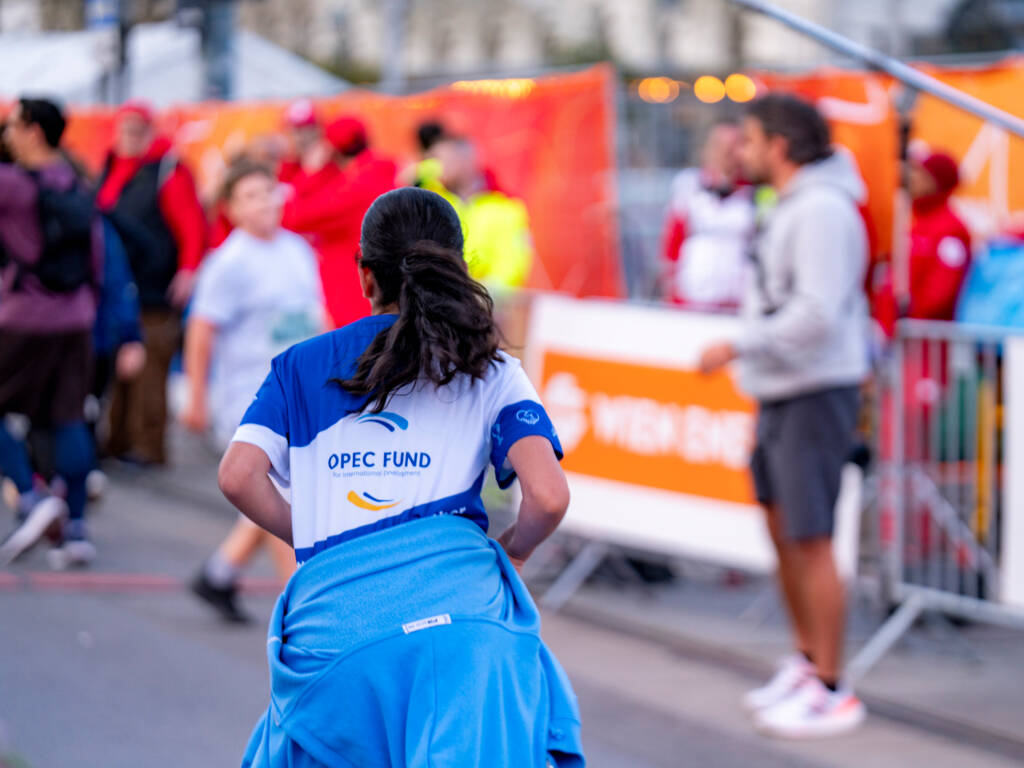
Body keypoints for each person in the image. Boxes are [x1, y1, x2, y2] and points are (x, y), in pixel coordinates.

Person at [219, 187, 583, 765]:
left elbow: (238, 476)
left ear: (366, 277)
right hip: (467, 636)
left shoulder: (299, 364)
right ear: (457, 269)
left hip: (338, 635)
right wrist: (511, 551)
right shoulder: (491, 368)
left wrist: (317, 538)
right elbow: (549, 495)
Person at [698, 93, 870, 738]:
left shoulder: (823, 210)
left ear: (780, 144)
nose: (739, 151)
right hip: (785, 389)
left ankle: (831, 685)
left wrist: (740, 342)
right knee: (785, 530)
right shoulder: (796, 206)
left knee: (812, 537)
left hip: (815, 389)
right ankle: (808, 665)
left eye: (748, 138)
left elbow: (818, 313)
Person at [182, 160, 325, 621]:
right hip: (251, 399)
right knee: (282, 496)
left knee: (273, 496)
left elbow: (316, 318)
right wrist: (197, 396)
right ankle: (303, 605)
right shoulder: (229, 263)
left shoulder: (298, 250)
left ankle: (218, 575)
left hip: (302, 396)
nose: (264, 202)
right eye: (251, 196)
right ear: (232, 209)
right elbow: (201, 331)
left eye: (269, 191)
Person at [0, 98, 102, 567]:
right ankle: (75, 530)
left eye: (15, 125)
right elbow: (97, 256)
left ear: (35, 131)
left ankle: (31, 497)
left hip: (24, 316)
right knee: (67, 417)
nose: (8, 134)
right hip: (76, 316)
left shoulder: (12, 186)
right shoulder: (78, 183)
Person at [98, 100, 207, 466]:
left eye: (137, 126)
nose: (130, 133)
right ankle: (116, 439)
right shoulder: (114, 166)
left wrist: (188, 270)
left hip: (153, 285)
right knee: (120, 366)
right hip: (118, 287)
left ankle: (147, 445)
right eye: (125, 125)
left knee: (150, 366)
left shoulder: (166, 170)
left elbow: (192, 226)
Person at [282, 115, 396, 329]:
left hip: (353, 300)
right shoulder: (381, 172)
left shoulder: (355, 186)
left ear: (330, 149)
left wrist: (309, 172)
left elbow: (293, 216)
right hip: (379, 294)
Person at [872, 149, 971, 335]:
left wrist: (908, 317)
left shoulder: (950, 229)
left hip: (923, 341)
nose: (912, 178)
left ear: (935, 181)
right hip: (899, 335)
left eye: (919, 172)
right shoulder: (916, 222)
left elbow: (941, 293)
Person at [661, 120, 755, 310]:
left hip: (738, 300)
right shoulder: (688, 185)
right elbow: (673, 240)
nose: (726, 153)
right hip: (693, 296)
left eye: (734, 146)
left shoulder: (755, 192)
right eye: (720, 146)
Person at [424, 135, 535, 296]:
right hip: (436, 299)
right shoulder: (429, 201)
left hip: (488, 304)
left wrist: (479, 293)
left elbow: (512, 264)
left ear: (467, 160)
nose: (436, 167)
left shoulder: (505, 206)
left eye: (443, 159)